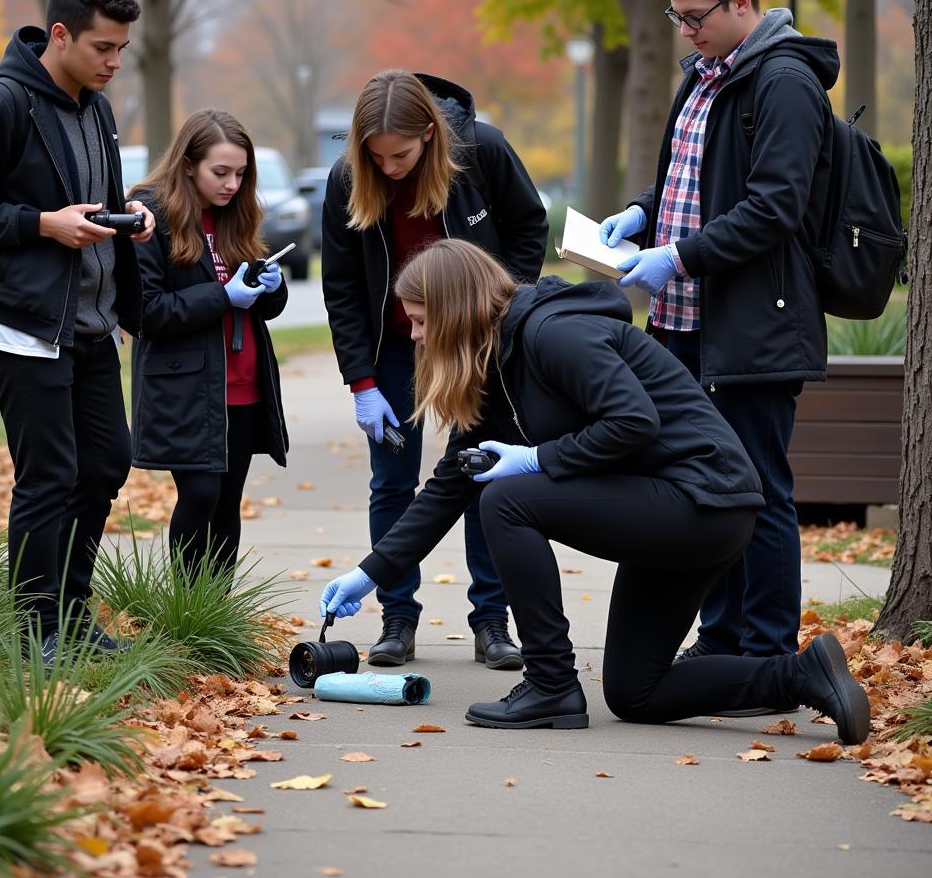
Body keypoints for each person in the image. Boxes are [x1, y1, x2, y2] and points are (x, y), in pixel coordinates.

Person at [318, 240, 870, 745]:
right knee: (637, 693)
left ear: (454, 308)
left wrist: (533, 459)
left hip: (703, 500)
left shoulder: (553, 333)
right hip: (671, 510)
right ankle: (802, 674)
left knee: (506, 500)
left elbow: (634, 421)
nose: (414, 336)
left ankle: (550, 682)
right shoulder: (496, 368)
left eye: (420, 321)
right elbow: (447, 487)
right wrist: (368, 575)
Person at [600, 0, 837, 686]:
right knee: (707, 488)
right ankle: (722, 635)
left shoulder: (785, 80)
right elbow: (687, 181)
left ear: (742, 2)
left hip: (752, 322)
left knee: (759, 490)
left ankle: (765, 652)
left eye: (695, 16)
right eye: (675, 18)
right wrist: (641, 215)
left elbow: (774, 206)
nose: (686, 31)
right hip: (683, 321)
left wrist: (680, 255)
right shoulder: (702, 75)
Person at [0, 0, 148, 665]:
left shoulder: (97, 108)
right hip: (19, 325)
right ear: (59, 35)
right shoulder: (1, 105)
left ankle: (70, 610)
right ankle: (37, 633)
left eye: (121, 49)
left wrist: (130, 219)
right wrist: (44, 225)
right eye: (103, 48)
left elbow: (96, 202)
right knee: (50, 475)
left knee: (107, 462)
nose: (115, 62)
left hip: (86, 322)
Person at [322, 69, 548, 669]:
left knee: (483, 471)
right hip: (395, 348)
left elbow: (530, 227)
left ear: (429, 133)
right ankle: (397, 618)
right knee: (392, 481)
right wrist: (361, 383)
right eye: (378, 157)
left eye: (400, 155)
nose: (390, 167)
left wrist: (506, 311)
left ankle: (491, 622)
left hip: (475, 340)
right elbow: (342, 287)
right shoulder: (349, 176)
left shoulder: (483, 151)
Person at [129, 110, 288, 583]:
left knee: (226, 500)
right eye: (221, 172)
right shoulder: (150, 214)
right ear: (187, 165)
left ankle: (215, 613)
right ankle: (186, 608)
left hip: (243, 383)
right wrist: (223, 295)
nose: (232, 184)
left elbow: (263, 308)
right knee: (200, 494)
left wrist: (270, 287)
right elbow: (147, 313)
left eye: (241, 173)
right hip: (188, 385)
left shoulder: (235, 215)